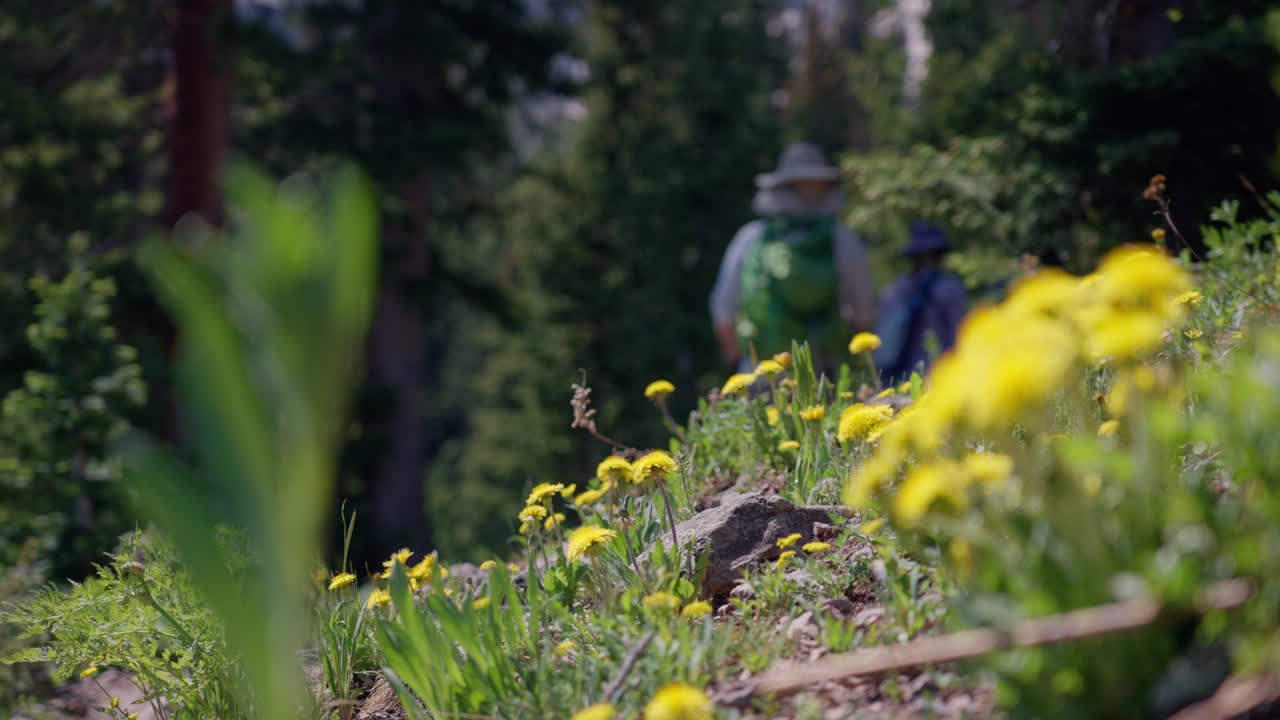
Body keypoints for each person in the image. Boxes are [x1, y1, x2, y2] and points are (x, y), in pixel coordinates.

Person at [709, 142, 875, 372]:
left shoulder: (752, 237)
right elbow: (864, 313)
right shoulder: (843, 240)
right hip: (826, 370)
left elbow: (723, 309)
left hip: (763, 371)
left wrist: (736, 359)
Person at [872, 222, 968, 382]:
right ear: (939, 255)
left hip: (896, 375)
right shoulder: (949, 288)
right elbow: (959, 334)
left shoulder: (896, 289)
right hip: (937, 375)